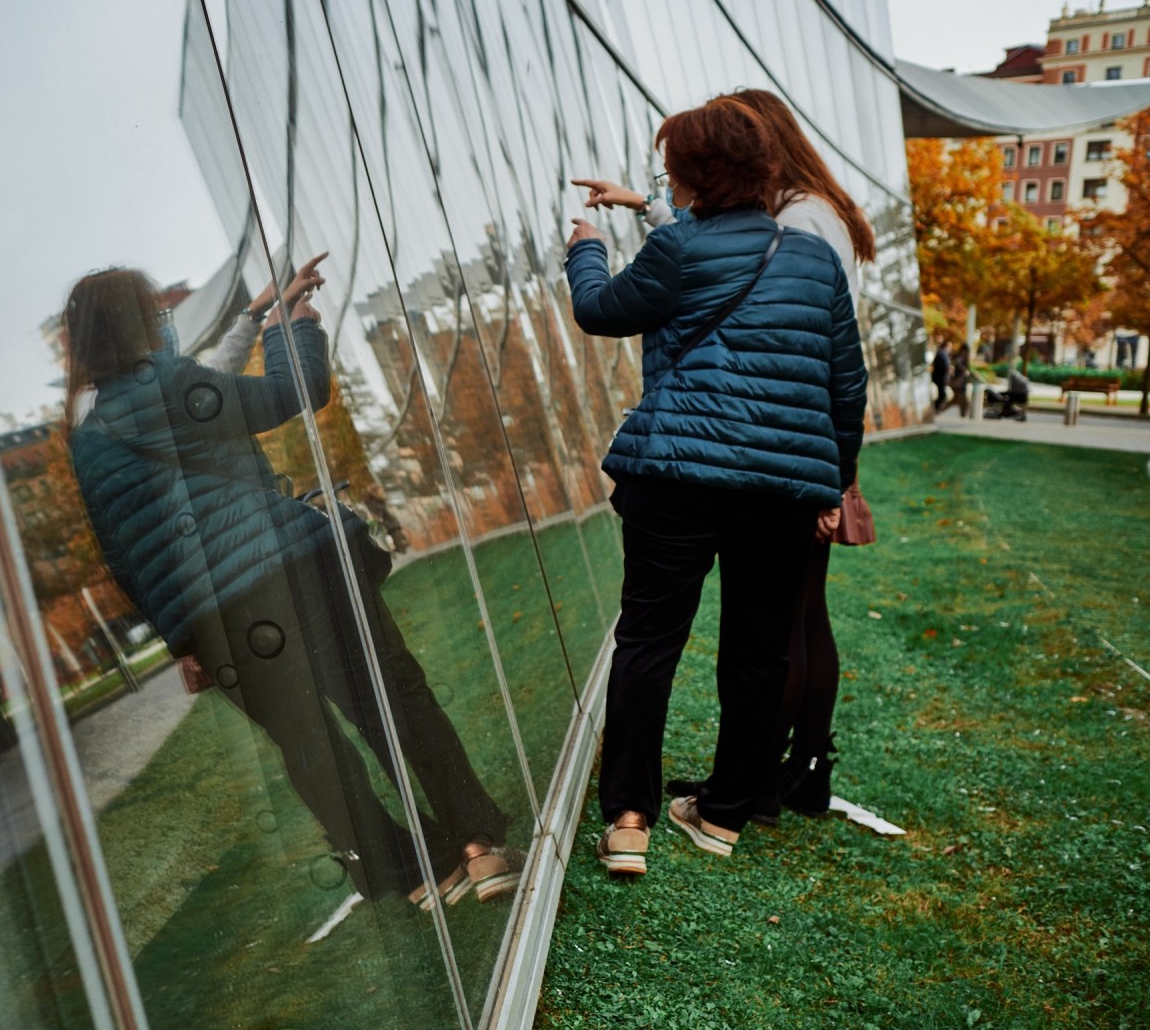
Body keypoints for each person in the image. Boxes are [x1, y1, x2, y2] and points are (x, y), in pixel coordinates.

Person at [63, 259, 516, 908]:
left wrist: (183, 641)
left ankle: (416, 874)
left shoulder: (88, 441)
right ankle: (477, 846)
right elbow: (294, 389)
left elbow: (124, 559)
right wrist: (295, 327)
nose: (164, 322)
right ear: (137, 325)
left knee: (310, 748)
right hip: (296, 574)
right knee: (393, 699)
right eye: (155, 312)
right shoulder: (169, 385)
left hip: (218, 627)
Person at [564, 94, 867, 876]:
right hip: (783, 490)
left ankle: (629, 820)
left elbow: (599, 310)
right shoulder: (815, 258)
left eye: (672, 167)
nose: (667, 178)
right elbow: (847, 384)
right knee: (760, 652)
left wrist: (585, 249)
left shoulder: (680, 249)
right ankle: (725, 814)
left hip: (677, 478)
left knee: (649, 642)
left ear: (693, 175)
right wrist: (835, 482)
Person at [931, 339, 951, 413]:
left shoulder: (943, 354)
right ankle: (936, 409)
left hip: (941, 377)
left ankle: (937, 408)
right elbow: (943, 366)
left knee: (942, 394)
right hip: (940, 377)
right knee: (942, 395)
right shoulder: (942, 354)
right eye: (950, 347)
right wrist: (948, 369)